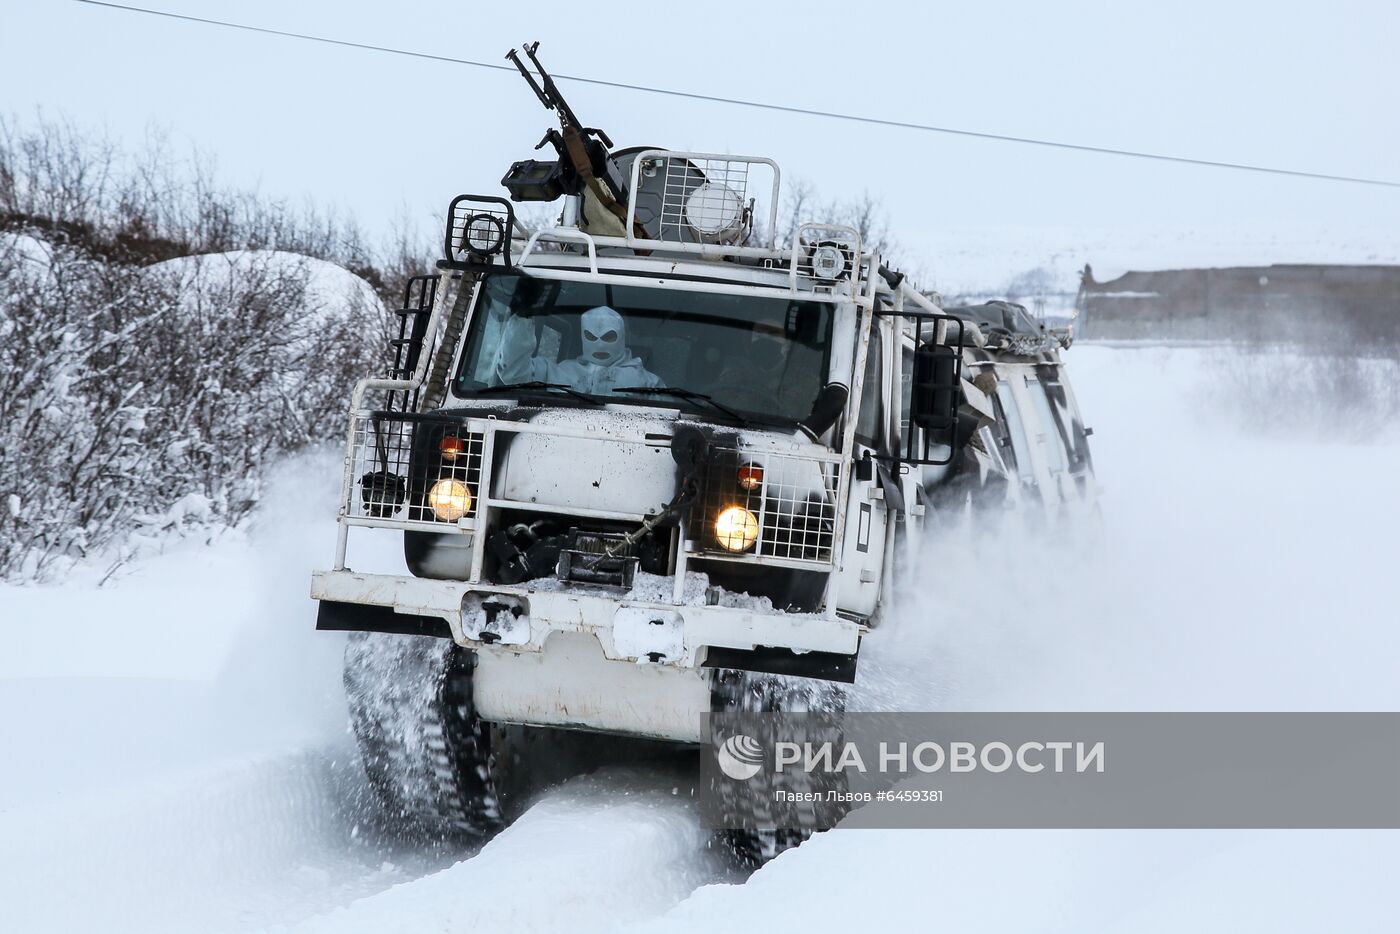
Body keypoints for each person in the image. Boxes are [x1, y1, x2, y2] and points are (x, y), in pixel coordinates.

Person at [492, 304, 662, 394]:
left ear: (622, 338)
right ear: (583, 337)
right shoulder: (558, 373)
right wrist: (522, 318)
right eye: (591, 336)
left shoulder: (646, 383)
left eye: (609, 337)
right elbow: (513, 373)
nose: (600, 344)